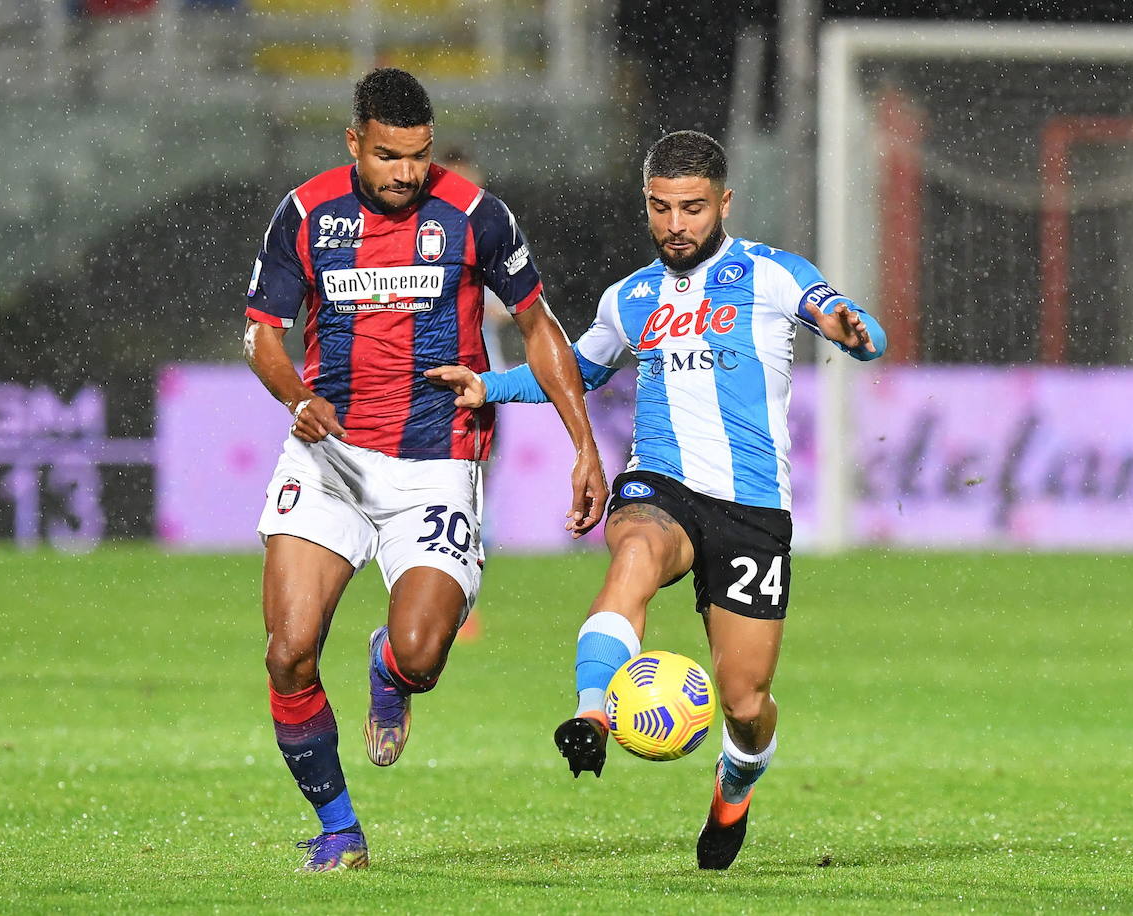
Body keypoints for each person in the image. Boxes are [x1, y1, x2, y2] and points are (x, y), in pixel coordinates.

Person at [428, 130, 886, 870]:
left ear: (724, 203)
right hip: (659, 483)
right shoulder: (629, 297)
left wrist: (855, 334)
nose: (676, 224)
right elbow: (577, 369)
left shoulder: (771, 275)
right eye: (662, 208)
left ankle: (735, 782)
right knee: (633, 552)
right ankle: (591, 711)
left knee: (744, 701)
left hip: (751, 506)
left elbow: (856, 327)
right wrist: (491, 386)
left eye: (693, 208)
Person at [242, 68, 607, 872]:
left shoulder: (477, 215)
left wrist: (584, 444)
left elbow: (539, 326)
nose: (406, 173)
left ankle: (389, 669)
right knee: (289, 651)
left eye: (417, 155)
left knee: (421, 654)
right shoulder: (305, 215)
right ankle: (338, 827)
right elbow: (262, 334)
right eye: (387, 156)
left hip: (438, 462)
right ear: (354, 144)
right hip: (329, 455)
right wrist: (296, 396)